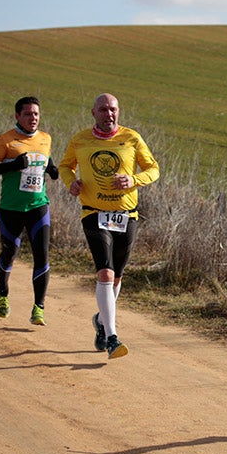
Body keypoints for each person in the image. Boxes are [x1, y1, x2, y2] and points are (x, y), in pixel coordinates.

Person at [58, 93, 160, 359]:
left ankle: (102, 321)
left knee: (117, 275)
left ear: (118, 112)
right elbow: (65, 166)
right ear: (93, 113)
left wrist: (134, 180)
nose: (108, 114)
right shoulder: (80, 139)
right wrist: (72, 182)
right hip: (94, 212)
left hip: (127, 215)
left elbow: (154, 168)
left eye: (112, 109)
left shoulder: (132, 138)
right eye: (103, 110)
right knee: (104, 271)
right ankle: (113, 337)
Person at [0, 96, 59, 325]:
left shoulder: (45, 138)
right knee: (10, 252)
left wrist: (52, 169)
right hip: (11, 208)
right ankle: (2, 291)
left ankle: (38, 308)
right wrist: (12, 165)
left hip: (38, 206)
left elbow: (44, 159)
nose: (33, 118)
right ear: (17, 116)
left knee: (42, 256)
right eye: (28, 114)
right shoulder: (6, 140)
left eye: (37, 114)